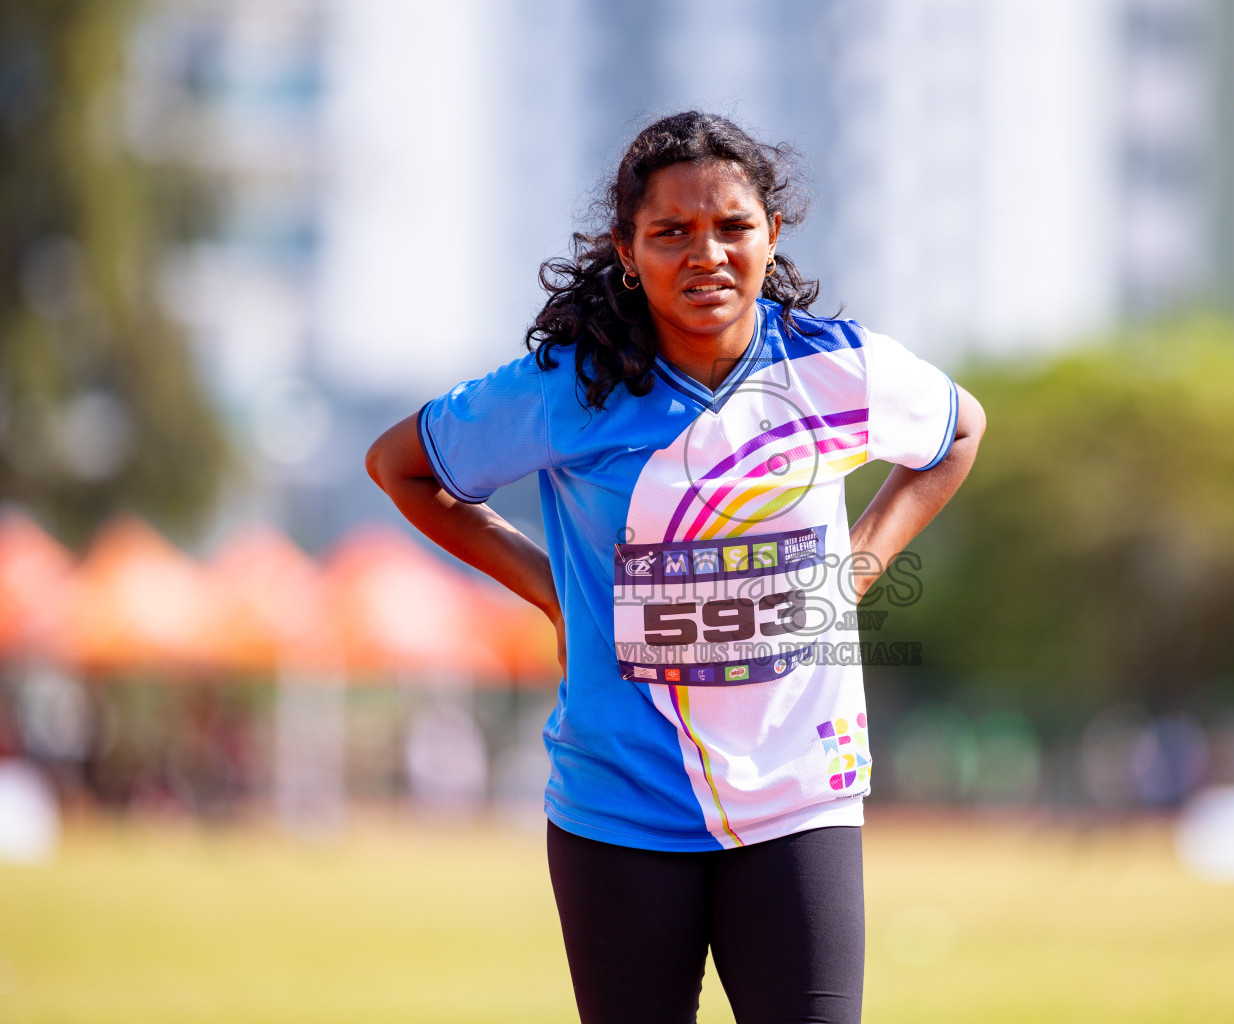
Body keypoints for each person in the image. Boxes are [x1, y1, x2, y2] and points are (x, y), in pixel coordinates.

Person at [366, 111, 984, 1024]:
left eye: (733, 227)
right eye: (671, 233)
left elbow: (958, 431)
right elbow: (403, 468)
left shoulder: (838, 370)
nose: (708, 254)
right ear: (626, 248)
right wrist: (549, 590)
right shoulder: (568, 388)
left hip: (797, 800)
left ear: (773, 237)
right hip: (621, 804)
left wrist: (855, 569)